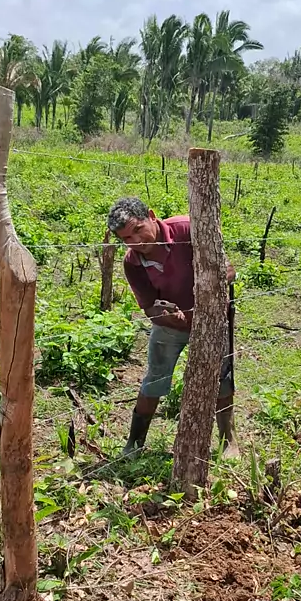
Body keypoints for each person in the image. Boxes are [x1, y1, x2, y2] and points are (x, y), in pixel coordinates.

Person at [107, 196, 239, 459]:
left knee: (221, 379)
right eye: (127, 239)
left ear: (151, 216)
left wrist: (219, 278)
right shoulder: (133, 262)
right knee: (155, 379)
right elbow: (149, 307)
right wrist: (165, 315)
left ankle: (229, 441)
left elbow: (228, 270)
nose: (136, 241)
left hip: (213, 321)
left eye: (138, 229)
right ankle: (134, 443)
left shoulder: (189, 228)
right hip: (171, 327)